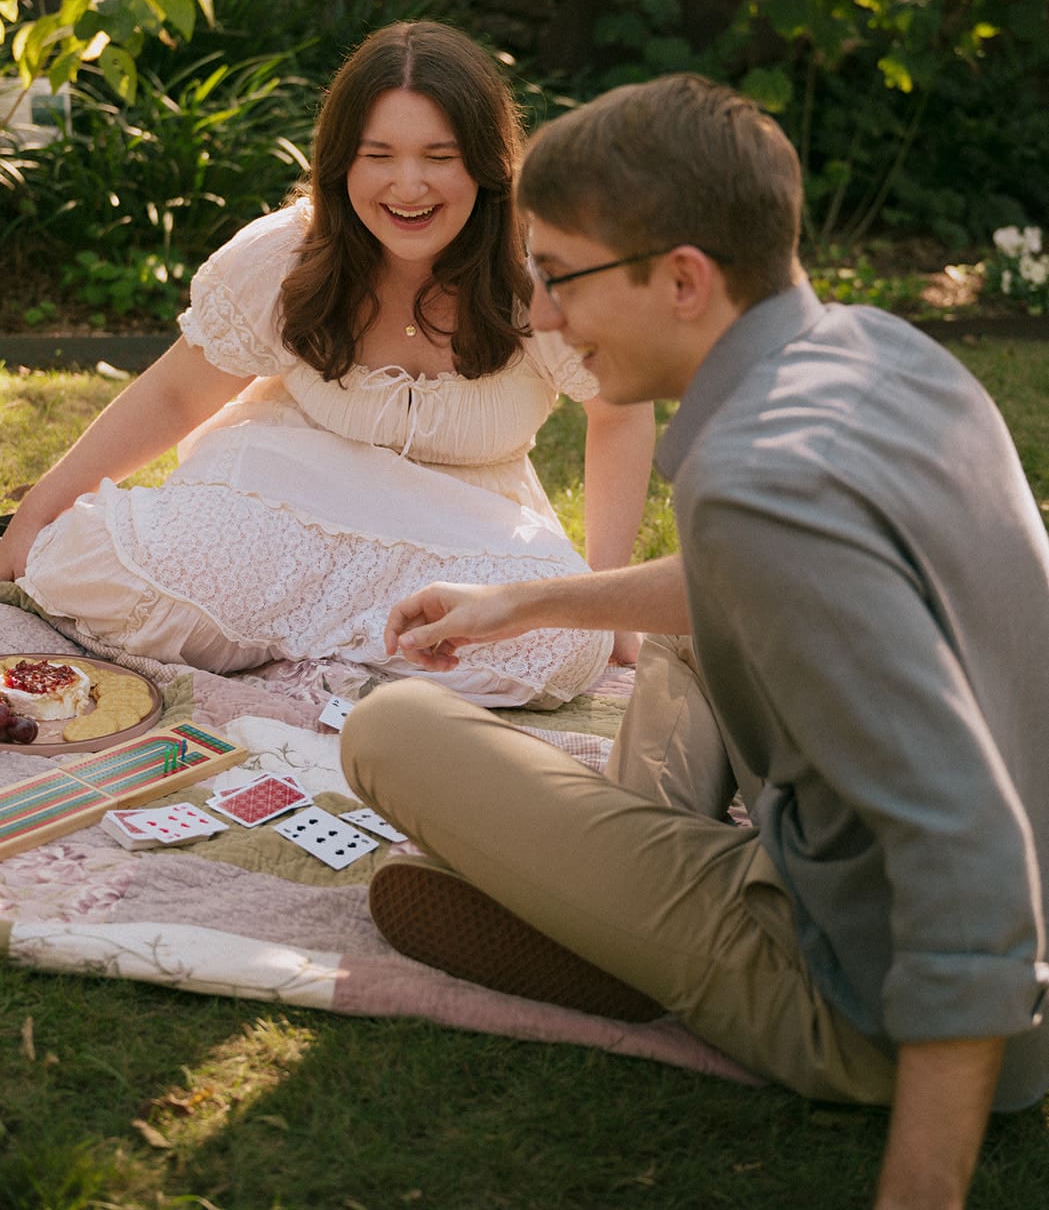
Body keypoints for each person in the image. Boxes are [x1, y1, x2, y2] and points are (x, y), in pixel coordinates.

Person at [339, 73, 1049, 1209]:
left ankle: (607, 929)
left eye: (561, 276)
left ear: (683, 279)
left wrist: (921, 1190)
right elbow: (777, 580)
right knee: (674, 645)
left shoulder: (752, 478)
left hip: (864, 1006)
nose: (541, 317)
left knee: (391, 726)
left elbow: (966, 846)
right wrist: (525, 602)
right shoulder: (885, 355)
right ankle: (607, 897)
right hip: (964, 937)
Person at [0, 21, 655, 707]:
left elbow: (618, 416)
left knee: (567, 645)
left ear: (485, 164)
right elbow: (175, 397)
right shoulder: (287, 255)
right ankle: (355, 657)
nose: (408, 185)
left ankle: (296, 655)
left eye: (438, 155)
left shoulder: (539, 267)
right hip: (288, 507)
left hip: (464, 533)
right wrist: (40, 507)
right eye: (379, 155)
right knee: (83, 562)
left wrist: (607, 598)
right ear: (342, 163)